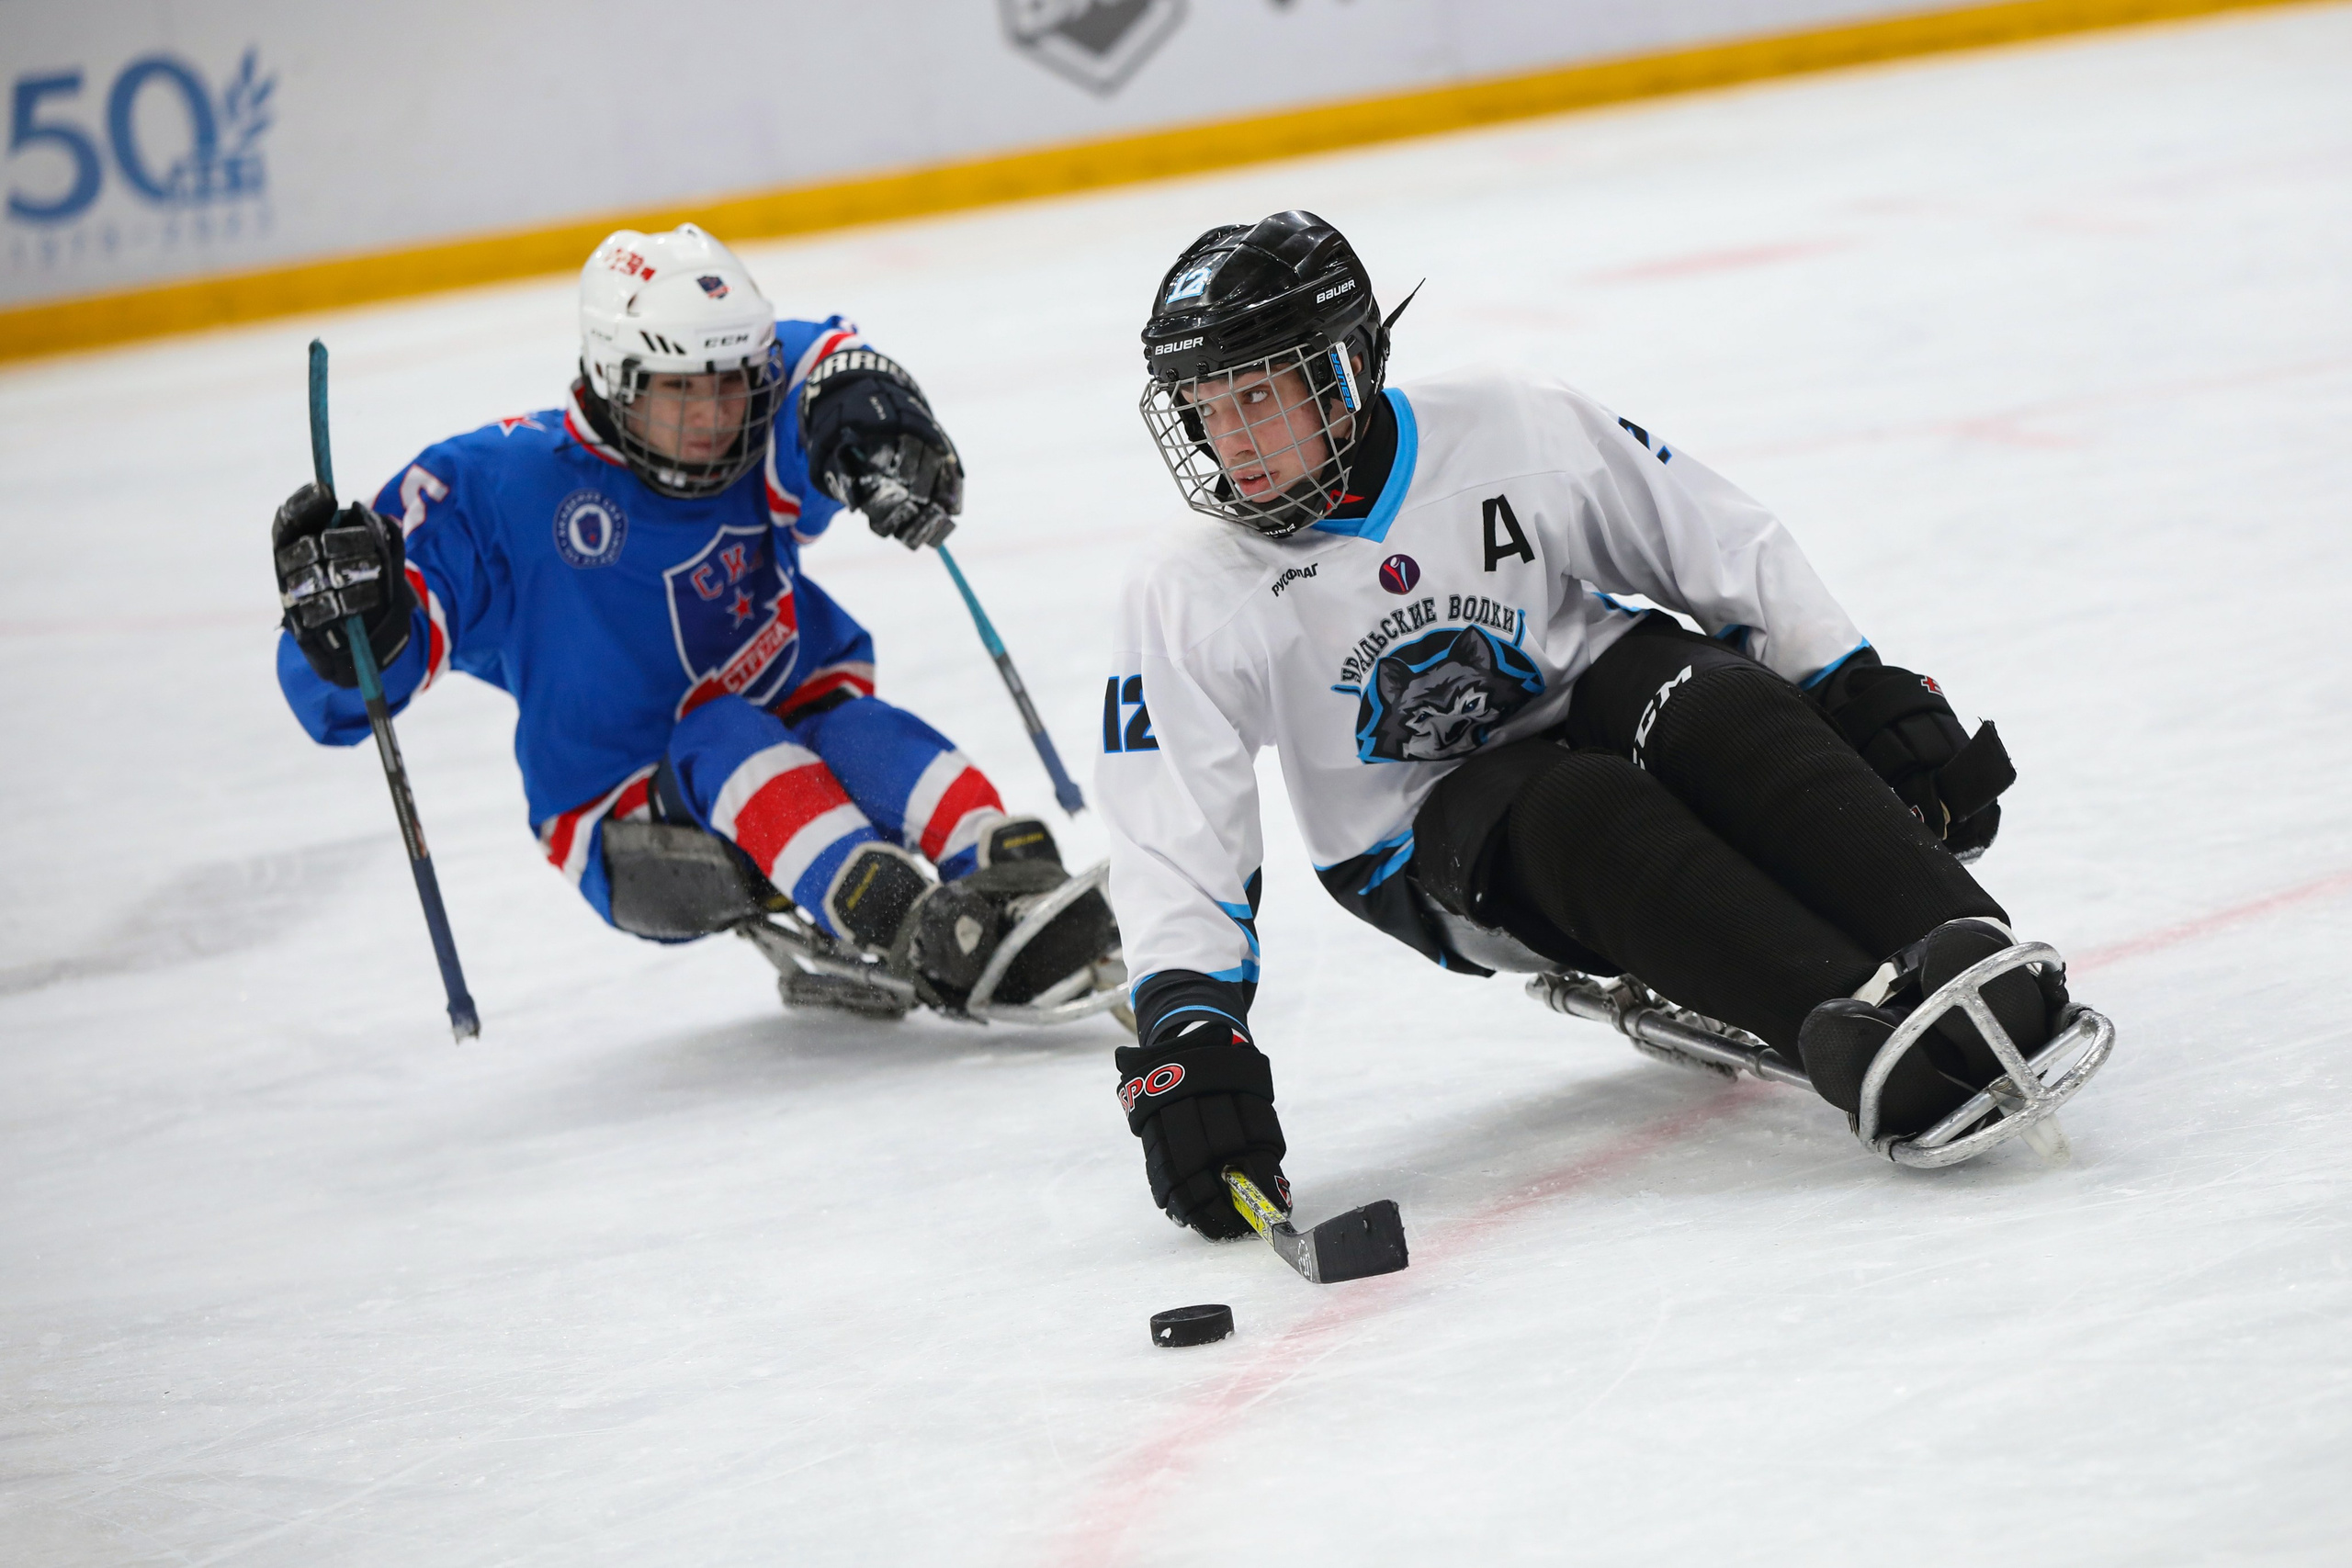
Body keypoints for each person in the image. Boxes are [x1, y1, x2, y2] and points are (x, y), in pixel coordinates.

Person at [1100, 210, 2070, 1239]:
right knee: (1580, 805)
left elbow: (1712, 541)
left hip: (1593, 683)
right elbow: (1173, 830)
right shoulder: (1187, 587)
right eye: (1205, 408)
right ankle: (1857, 1024)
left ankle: (1965, 948)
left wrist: (1853, 685)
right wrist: (1189, 1029)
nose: (1230, 443)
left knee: (1724, 704)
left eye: (1257, 395)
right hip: (1416, 832)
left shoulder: (1509, 425)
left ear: (1344, 369)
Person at [271, 223, 1112, 1007]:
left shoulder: (751, 398)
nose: (714, 417)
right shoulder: (500, 487)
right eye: (680, 391)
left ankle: (1006, 872)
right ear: (615, 378)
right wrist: (348, 628)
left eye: (730, 386)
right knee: (721, 731)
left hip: (791, 721)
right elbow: (342, 686)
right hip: (626, 817)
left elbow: (821, 359)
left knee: (863, 732)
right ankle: (906, 918)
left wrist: (870, 414)